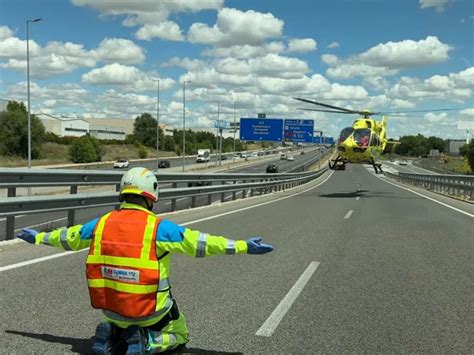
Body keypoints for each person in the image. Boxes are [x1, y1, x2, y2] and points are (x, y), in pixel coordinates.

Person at [17, 167, 273, 354]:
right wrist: (242, 246)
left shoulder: (100, 224)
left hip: (112, 309)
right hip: (150, 312)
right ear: (152, 197)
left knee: (119, 318)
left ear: (122, 193)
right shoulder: (158, 228)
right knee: (180, 333)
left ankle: (112, 334)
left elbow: (68, 237)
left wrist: (39, 237)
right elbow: (201, 243)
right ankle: (147, 341)